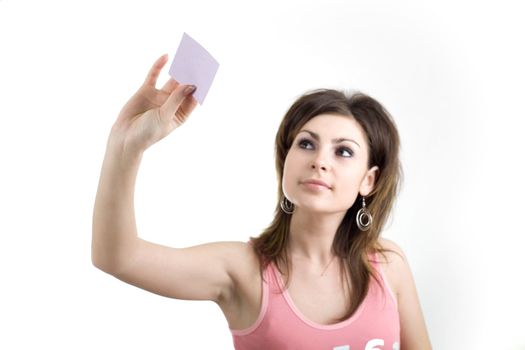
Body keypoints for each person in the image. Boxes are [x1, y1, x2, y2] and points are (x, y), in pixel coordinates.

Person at [92, 54, 432, 350]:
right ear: (286, 161)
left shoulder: (389, 265)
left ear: (368, 180)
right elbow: (118, 257)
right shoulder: (243, 270)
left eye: (343, 151)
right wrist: (126, 146)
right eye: (306, 144)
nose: (320, 161)